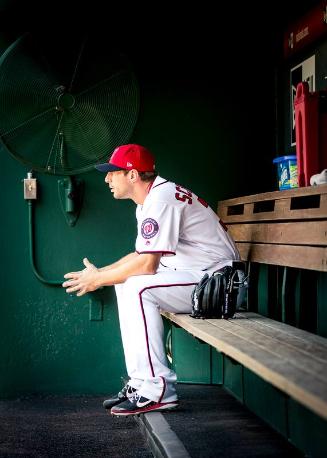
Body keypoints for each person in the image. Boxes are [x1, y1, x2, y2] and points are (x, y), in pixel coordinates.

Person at [62, 144, 240, 416]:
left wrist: (99, 280)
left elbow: (146, 266)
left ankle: (157, 389)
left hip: (219, 286)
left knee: (137, 286)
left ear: (132, 175)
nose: (107, 178)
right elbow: (140, 255)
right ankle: (141, 383)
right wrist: (100, 274)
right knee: (125, 282)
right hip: (201, 278)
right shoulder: (151, 199)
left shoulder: (161, 199)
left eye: (113, 172)